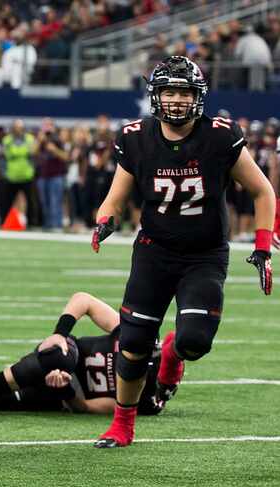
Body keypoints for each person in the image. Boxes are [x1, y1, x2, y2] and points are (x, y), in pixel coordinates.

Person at [91, 56, 275, 448]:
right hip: (154, 251)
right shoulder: (136, 137)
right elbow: (115, 196)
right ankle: (123, 424)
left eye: (184, 92)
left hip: (204, 254)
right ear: (156, 96)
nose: (176, 100)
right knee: (135, 343)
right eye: (169, 92)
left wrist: (262, 246)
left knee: (195, 341)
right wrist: (105, 219)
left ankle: (173, 355)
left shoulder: (220, 137)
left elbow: (262, 191)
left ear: (198, 97)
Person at [0, 292, 175, 417]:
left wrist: (66, 388)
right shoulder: (135, 337)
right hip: (63, 355)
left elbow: (86, 407)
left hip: (60, 394)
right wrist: (60, 332)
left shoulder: (142, 400)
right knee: (57, 356)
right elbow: (83, 300)